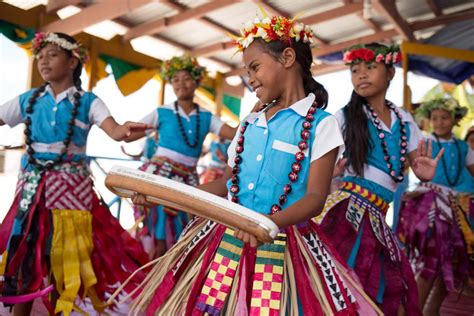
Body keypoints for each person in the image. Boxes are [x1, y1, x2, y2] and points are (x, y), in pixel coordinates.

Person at [127, 14, 381, 315]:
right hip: (226, 241)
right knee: (211, 307)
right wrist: (160, 195)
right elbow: (225, 183)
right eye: (247, 70)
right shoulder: (249, 122)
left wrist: (267, 225)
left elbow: (315, 199)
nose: (250, 77)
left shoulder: (321, 125)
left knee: (266, 309)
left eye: (255, 67)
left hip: (281, 245)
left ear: (287, 58)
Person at [0, 32, 149, 316]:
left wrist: (125, 132)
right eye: (40, 56)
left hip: (71, 194)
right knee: (26, 255)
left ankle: (59, 309)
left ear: (72, 62)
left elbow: (114, 129)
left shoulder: (89, 101)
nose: (43, 61)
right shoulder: (29, 100)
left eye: (52, 55)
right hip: (32, 189)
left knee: (63, 258)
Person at [317, 43, 443, 315]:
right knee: (341, 285)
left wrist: (421, 173)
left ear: (390, 73)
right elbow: (316, 166)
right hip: (347, 212)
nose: (361, 74)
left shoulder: (404, 119)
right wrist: (330, 174)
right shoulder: (344, 117)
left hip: (377, 216)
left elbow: (413, 159)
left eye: (370, 67)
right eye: (355, 69)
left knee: (382, 290)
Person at [124, 55, 237, 259]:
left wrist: (256, 114)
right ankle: (152, 269)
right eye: (175, 79)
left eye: (186, 78)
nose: (180, 84)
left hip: (188, 180)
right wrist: (122, 130)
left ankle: (175, 270)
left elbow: (235, 133)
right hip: (160, 174)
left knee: (184, 229)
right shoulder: (162, 112)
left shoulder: (206, 116)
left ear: (196, 81)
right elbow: (129, 134)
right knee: (155, 227)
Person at [397, 97, 474, 314]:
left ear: (455, 120)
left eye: (444, 117)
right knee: (431, 264)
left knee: (450, 266)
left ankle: (431, 311)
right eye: (435, 118)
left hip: (459, 213)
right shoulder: (425, 143)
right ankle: (415, 310)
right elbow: (410, 168)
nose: (439, 122)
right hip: (431, 213)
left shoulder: (462, 147)